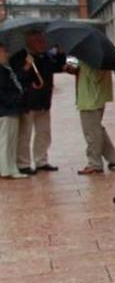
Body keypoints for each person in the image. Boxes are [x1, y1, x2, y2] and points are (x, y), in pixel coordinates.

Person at [10, 31, 67, 174]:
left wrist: (60, 53)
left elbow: (58, 67)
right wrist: (27, 66)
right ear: (29, 41)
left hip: (44, 100)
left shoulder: (45, 55)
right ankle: (23, 163)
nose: (42, 44)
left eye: (43, 41)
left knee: (44, 132)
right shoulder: (19, 56)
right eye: (38, 41)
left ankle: (41, 160)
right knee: (25, 134)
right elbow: (17, 77)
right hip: (28, 102)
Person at [75, 59, 115, 175]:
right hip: (95, 98)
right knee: (97, 130)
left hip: (90, 99)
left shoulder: (91, 60)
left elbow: (95, 76)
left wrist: (82, 67)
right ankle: (113, 158)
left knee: (92, 133)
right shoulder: (99, 57)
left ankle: (94, 163)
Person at [0, 41, 30, 179]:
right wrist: (14, 100)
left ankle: (11, 167)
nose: (6, 54)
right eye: (3, 51)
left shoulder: (6, 68)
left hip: (13, 109)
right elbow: (3, 91)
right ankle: (6, 169)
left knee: (12, 141)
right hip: (6, 109)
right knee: (6, 141)